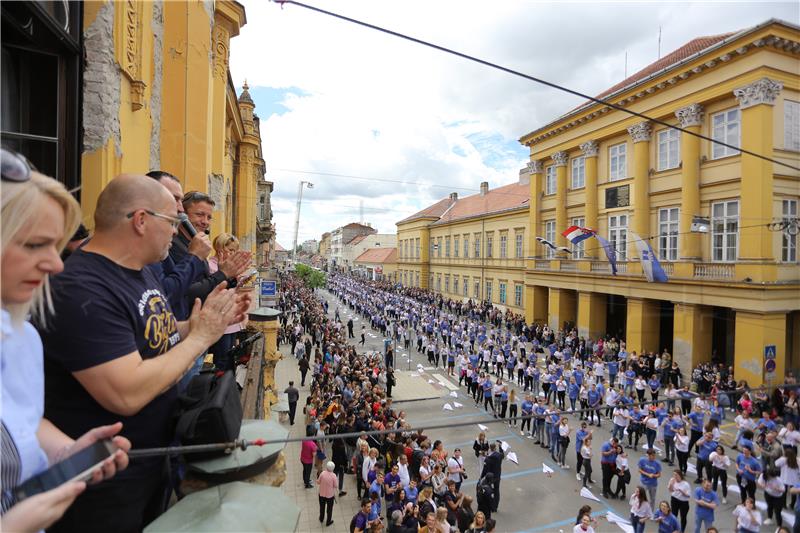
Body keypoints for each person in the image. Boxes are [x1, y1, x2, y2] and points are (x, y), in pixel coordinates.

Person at [40, 174, 247, 533]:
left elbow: (155, 335)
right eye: (172, 221)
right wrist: (201, 338)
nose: (178, 233)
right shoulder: (82, 289)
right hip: (105, 487)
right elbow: (126, 392)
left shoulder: (139, 271)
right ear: (140, 220)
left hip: (150, 463)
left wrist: (196, 324)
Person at [0, 155, 130, 531]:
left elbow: (23, 421)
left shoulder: (22, 336)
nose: (56, 265)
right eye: (34, 245)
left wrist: (66, 452)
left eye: (54, 246)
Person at [481, 442, 504, 513]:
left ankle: (490, 505)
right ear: (495, 448)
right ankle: (495, 507)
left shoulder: (488, 459)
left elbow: (484, 470)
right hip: (497, 476)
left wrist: (481, 477)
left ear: (490, 448)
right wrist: (501, 447)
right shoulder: (499, 456)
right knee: (497, 490)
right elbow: (502, 454)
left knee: (489, 491)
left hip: (489, 477)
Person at [317, 461, 338, 527]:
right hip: (330, 495)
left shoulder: (323, 473)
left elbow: (318, 482)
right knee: (329, 509)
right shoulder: (333, 476)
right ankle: (328, 521)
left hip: (321, 494)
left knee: (322, 507)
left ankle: (321, 518)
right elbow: (336, 485)